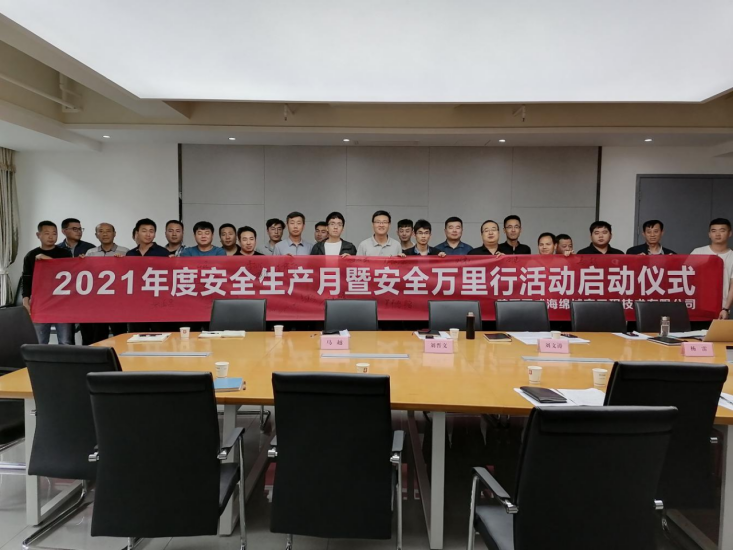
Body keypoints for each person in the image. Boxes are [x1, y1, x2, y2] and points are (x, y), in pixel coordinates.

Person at [22, 221, 74, 345]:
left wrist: (49, 260)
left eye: (54, 233)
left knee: (65, 341)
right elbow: (27, 280)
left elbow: (70, 274)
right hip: (41, 303)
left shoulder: (65, 253)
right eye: (47, 233)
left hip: (62, 303)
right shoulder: (31, 255)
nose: (51, 237)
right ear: (38, 235)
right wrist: (25, 301)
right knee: (39, 341)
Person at [82, 223, 129, 344]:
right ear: (96, 235)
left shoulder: (125, 252)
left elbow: (132, 273)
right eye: (101, 231)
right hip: (97, 303)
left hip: (118, 302)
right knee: (98, 336)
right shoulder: (90, 253)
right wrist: (81, 261)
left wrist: (123, 262)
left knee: (120, 335)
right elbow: (84, 274)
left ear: (114, 234)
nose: (105, 234)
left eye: (108, 231)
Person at [691, 218, 733, 319]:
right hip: (697, 306)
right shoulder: (698, 252)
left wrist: (726, 308)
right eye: (714, 231)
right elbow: (685, 276)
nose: (717, 234)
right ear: (709, 234)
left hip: (721, 309)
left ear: (730, 233)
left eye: (722, 230)